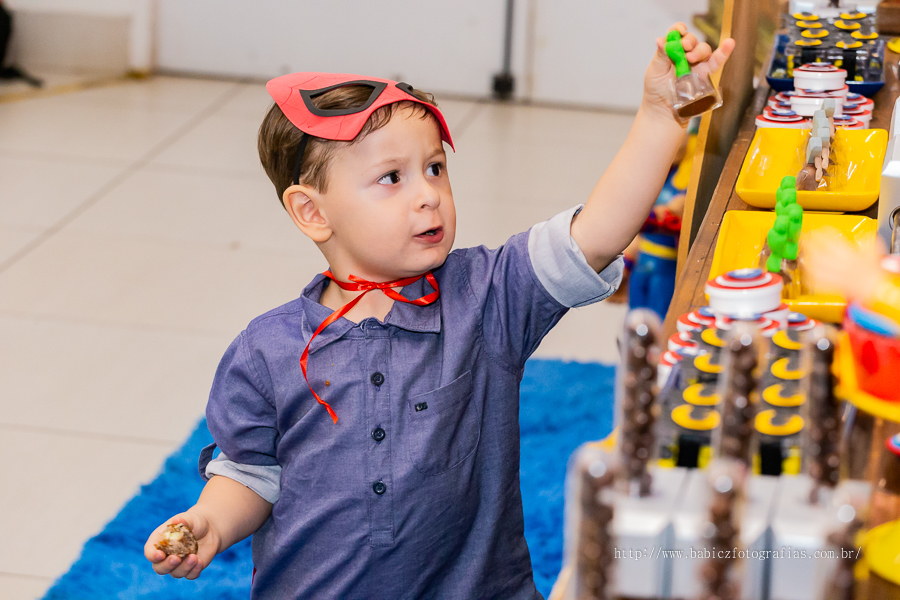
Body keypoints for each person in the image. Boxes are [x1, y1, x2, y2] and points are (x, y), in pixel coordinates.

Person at [143, 24, 733, 599]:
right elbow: (251, 473)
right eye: (391, 178)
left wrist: (659, 119)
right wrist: (211, 523)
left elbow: (595, 237)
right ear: (312, 212)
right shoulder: (266, 350)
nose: (428, 193)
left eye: (435, 168)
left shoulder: (488, 295)